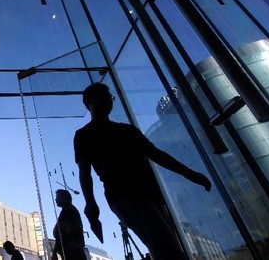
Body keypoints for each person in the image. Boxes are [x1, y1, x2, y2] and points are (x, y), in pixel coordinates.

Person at [74, 83, 212, 260]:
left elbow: (156, 154)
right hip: (127, 195)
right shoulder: (91, 134)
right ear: (90, 102)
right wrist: (188, 173)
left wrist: (91, 205)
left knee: (164, 247)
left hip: (140, 195)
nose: (109, 100)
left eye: (110, 97)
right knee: (168, 248)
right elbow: (84, 172)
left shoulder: (119, 131)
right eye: (104, 96)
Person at [50, 189, 85, 260]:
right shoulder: (68, 211)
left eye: (58, 197)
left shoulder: (68, 212)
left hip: (72, 251)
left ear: (64, 198)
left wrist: (54, 252)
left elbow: (62, 234)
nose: (55, 199)